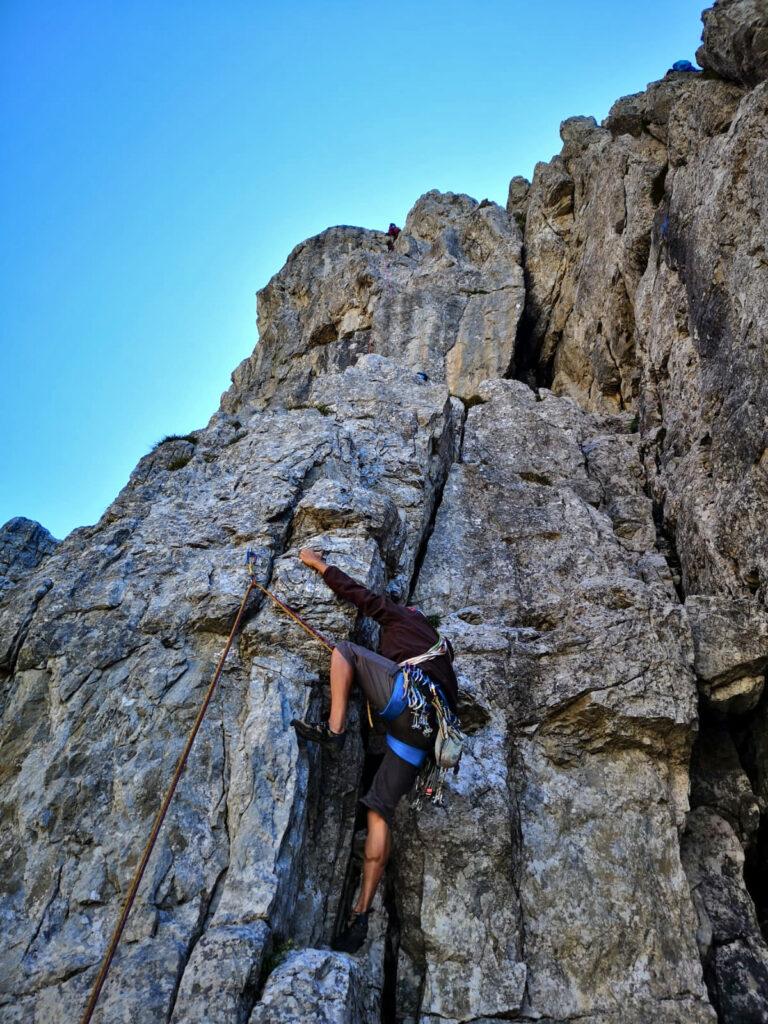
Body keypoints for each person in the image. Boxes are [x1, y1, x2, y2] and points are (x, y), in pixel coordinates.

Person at [291, 547, 460, 953]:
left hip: (406, 700)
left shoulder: (404, 618)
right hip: (425, 737)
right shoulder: (446, 660)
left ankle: (333, 729)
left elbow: (360, 596)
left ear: (413, 614)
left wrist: (318, 564)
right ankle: (361, 913)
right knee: (379, 810)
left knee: (346, 650)